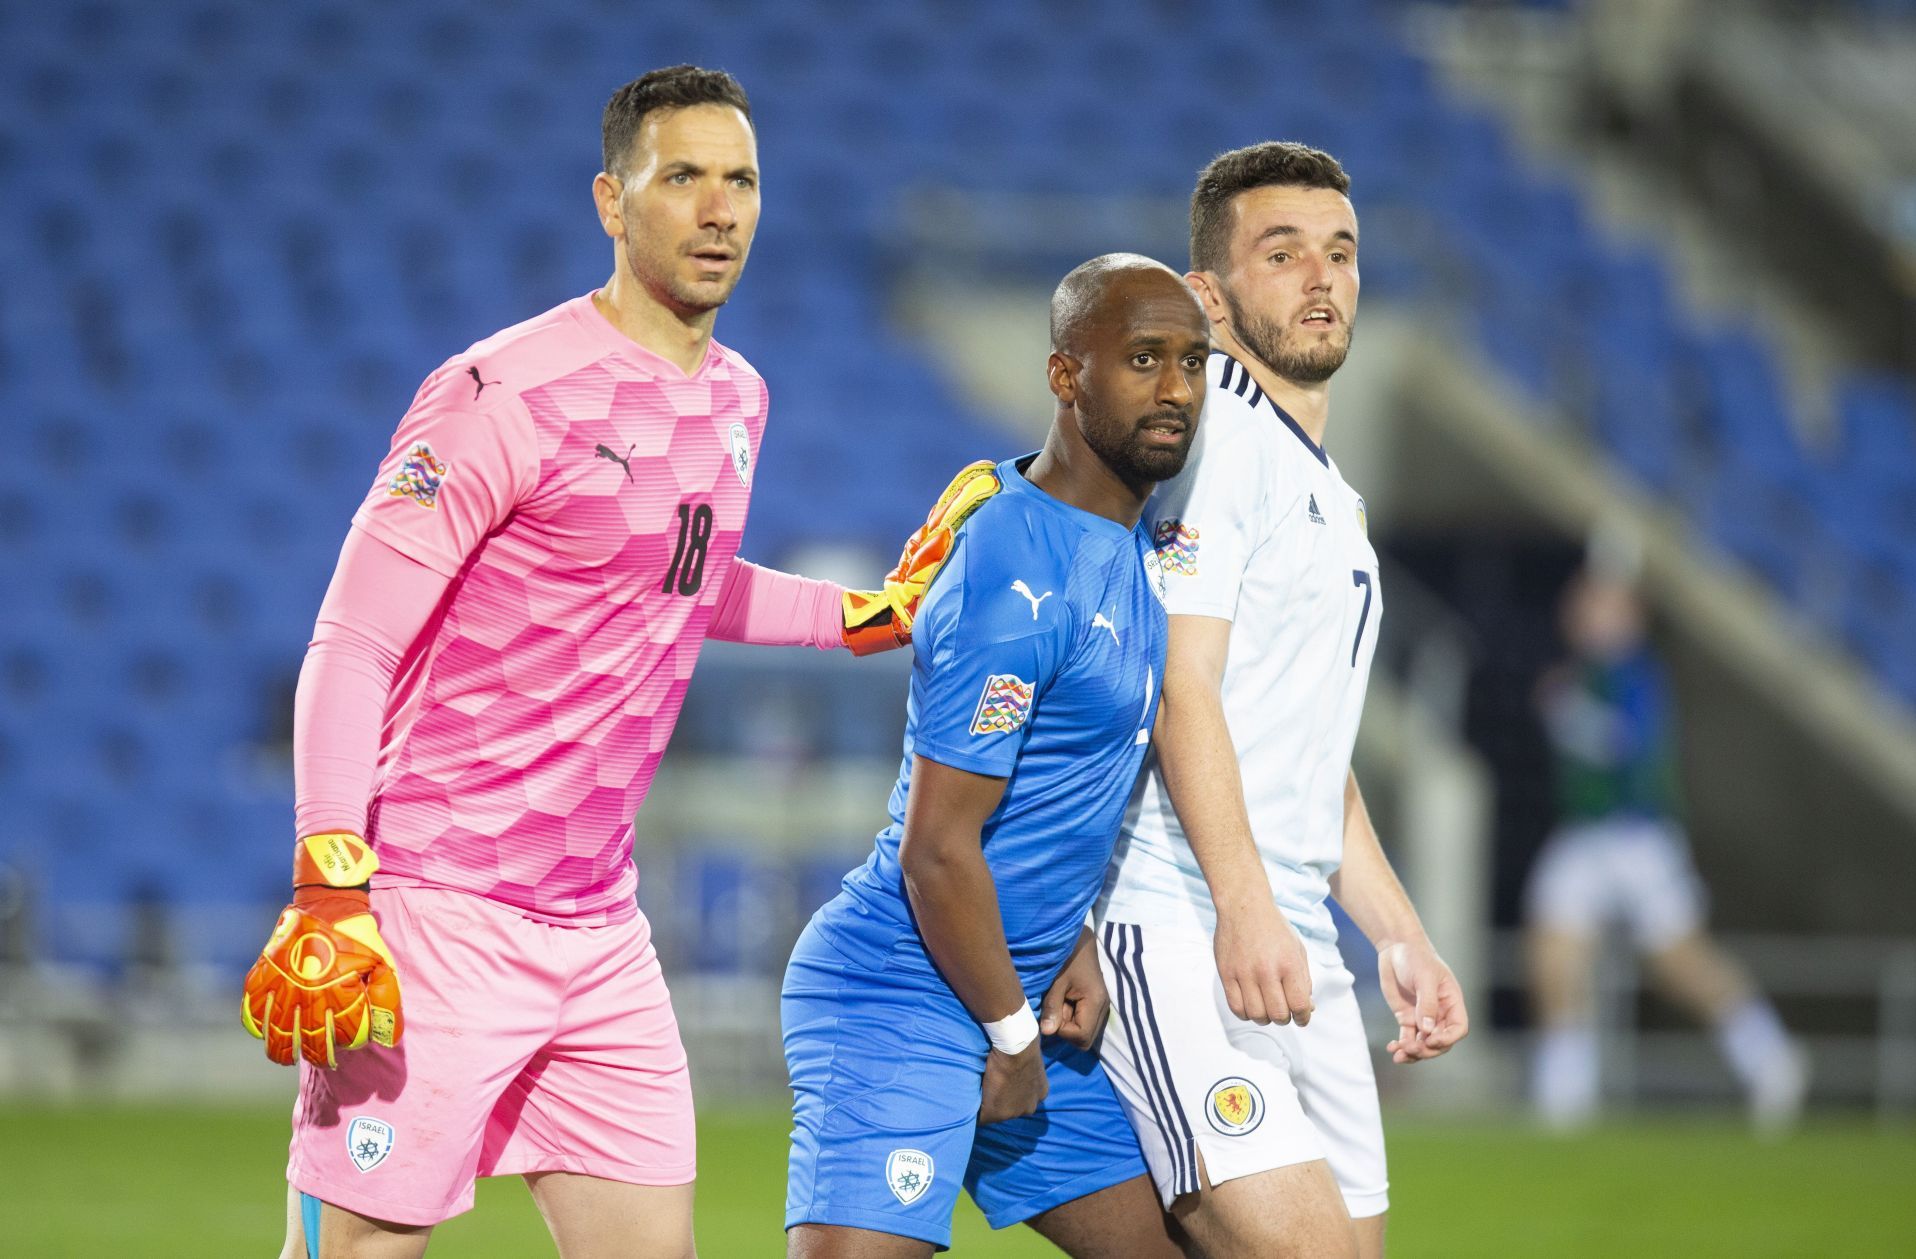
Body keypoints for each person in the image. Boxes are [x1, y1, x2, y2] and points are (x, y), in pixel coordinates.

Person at [238, 65, 971, 1259]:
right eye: (681, 177)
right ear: (610, 202)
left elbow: (676, 578)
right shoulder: (499, 392)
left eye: (740, 180)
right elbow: (353, 640)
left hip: (599, 930)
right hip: (439, 909)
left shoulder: (737, 396)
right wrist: (331, 878)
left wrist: (858, 617)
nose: (718, 208)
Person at [782, 254, 1211, 1259]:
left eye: (1191, 361)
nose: (1175, 388)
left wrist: (1071, 934)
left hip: (1023, 998)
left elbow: (1054, 790)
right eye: (1142, 357)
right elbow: (938, 846)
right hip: (907, 989)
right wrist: (1011, 1034)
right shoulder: (1016, 565)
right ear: (1065, 377)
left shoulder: (1128, 547)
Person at [1093, 142, 1470, 1259]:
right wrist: (1243, 904)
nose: (1322, 276)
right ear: (1209, 292)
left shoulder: (1332, 497)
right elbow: (1183, 687)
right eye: (1283, 251)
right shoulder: (1217, 440)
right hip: (1183, 916)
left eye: (1342, 252)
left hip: (1300, 934)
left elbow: (1310, 748)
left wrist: (1400, 934)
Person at [1525, 563, 1806, 1133]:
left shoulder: (1637, 675)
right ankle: (1564, 1095)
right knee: (1553, 949)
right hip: (1585, 834)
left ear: (1628, 616)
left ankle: (1769, 1055)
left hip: (1638, 835)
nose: (1581, 614)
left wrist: (1569, 714)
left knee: (1678, 961)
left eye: (1597, 605)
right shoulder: (1580, 673)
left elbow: (1629, 745)